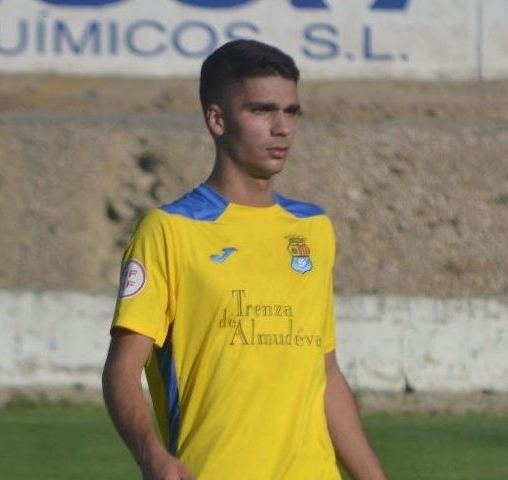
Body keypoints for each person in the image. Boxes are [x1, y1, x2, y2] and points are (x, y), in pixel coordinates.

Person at [102, 39, 387, 480]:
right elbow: (122, 370)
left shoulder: (313, 229)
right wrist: (152, 457)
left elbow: (325, 373)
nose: (282, 128)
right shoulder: (169, 230)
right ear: (217, 119)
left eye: (291, 111)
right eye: (261, 110)